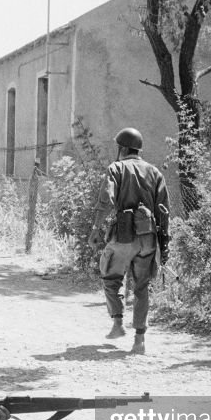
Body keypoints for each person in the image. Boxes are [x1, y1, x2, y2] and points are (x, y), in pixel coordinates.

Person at [87, 127, 170, 355]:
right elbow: (164, 211)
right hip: (148, 237)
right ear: (138, 149)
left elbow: (106, 199)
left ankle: (117, 323)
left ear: (122, 148)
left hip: (123, 236)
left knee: (111, 276)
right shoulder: (155, 173)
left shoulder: (116, 168)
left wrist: (96, 227)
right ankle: (139, 341)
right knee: (142, 287)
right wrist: (163, 245)